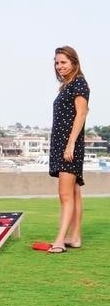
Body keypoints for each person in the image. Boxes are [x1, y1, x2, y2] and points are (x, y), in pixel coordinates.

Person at [47, 45, 90, 253]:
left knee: (65, 195)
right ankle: (75, 237)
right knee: (73, 192)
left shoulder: (80, 84)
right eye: (56, 62)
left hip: (69, 145)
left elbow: (81, 115)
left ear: (74, 62)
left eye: (63, 62)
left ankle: (60, 240)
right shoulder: (66, 86)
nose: (59, 66)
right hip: (61, 144)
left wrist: (71, 143)